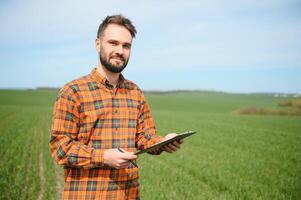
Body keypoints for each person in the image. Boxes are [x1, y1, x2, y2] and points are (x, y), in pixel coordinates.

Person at [50, 14, 183, 200]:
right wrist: (103, 157)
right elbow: (60, 148)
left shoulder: (135, 92)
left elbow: (144, 137)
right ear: (98, 44)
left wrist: (163, 142)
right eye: (113, 43)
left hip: (128, 194)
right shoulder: (73, 91)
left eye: (126, 45)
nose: (120, 50)